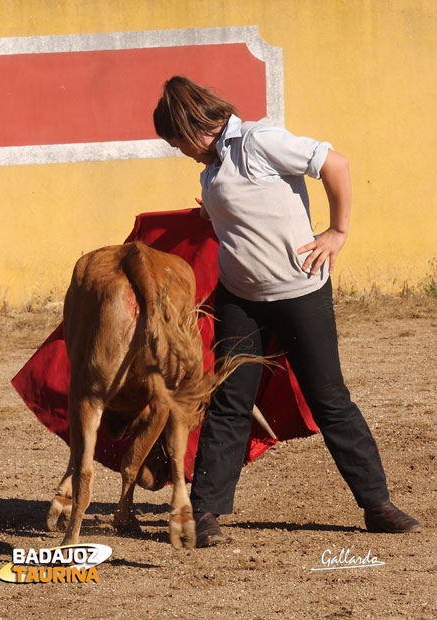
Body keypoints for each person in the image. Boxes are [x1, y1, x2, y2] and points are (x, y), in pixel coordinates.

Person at [153, 75, 422, 547]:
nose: (184, 154)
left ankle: (377, 505)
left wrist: (337, 231)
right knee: (229, 402)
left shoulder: (260, 140)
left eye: (179, 144)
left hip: (299, 291)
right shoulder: (212, 170)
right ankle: (207, 513)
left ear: (191, 127)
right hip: (240, 298)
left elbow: (335, 164)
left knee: (329, 399)